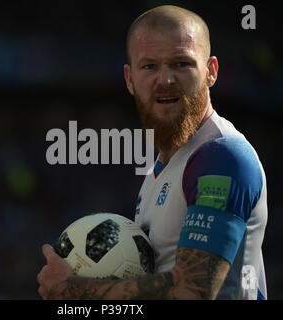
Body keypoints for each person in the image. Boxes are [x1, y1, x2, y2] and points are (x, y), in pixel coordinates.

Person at [37, 5, 268, 300]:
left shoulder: (221, 157)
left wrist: (74, 289)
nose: (165, 79)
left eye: (182, 64)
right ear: (129, 79)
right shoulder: (160, 168)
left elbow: (194, 291)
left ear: (211, 72)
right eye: (149, 66)